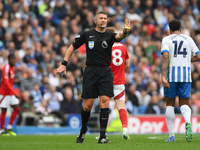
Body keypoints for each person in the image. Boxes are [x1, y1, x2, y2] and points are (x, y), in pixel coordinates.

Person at [57, 11, 131, 144]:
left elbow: (120, 36)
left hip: (105, 72)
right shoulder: (87, 34)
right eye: (101, 18)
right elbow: (72, 47)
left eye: (105, 18)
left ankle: (103, 136)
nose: (103, 20)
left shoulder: (109, 35)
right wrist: (63, 64)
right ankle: (83, 129)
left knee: (105, 101)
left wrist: (125, 32)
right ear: (95, 20)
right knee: (87, 106)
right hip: (90, 71)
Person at [161, 19, 200, 142]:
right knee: (184, 103)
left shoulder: (166, 39)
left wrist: (163, 75)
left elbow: (165, 56)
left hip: (171, 76)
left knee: (170, 104)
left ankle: (171, 135)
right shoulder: (188, 39)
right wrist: (188, 60)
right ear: (181, 28)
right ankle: (188, 122)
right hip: (185, 76)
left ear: (169, 29)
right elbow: (198, 56)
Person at [106, 27, 130, 139]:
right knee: (121, 107)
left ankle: (103, 133)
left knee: (104, 106)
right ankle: (125, 129)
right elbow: (127, 65)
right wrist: (120, 72)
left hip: (107, 81)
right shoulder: (123, 47)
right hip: (119, 82)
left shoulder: (105, 47)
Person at [0, 53, 20, 136]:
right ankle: (1, 130)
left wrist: (13, 92)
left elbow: (10, 83)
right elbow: (5, 82)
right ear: (8, 60)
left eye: (14, 59)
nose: (13, 61)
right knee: (4, 110)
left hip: (10, 93)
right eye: (12, 59)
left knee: (17, 108)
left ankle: (9, 127)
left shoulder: (12, 68)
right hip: (4, 93)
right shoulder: (6, 67)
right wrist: (14, 92)